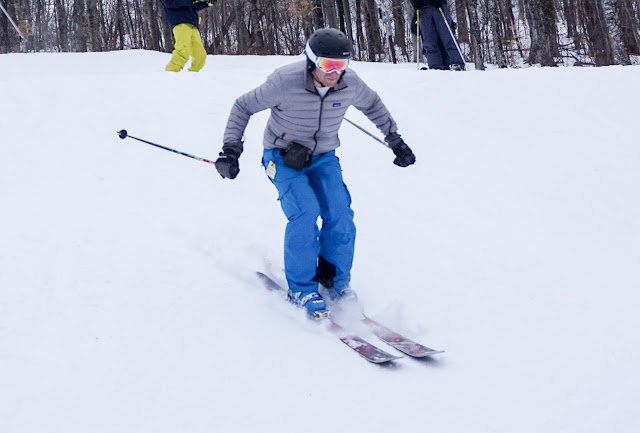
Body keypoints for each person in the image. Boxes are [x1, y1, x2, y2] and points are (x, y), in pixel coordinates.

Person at [214, 28, 416, 319]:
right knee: (305, 213)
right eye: (327, 65)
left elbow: (372, 105)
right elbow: (243, 105)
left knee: (341, 214)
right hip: (281, 158)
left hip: (323, 158)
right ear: (311, 62)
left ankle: (334, 280)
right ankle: (301, 287)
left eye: (341, 65)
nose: (335, 73)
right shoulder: (284, 81)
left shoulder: (350, 84)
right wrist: (231, 148)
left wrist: (394, 139)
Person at [158, 0, 215, 72]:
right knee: (183, 50)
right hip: (179, 22)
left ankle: (193, 76)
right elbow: (170, 3)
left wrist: (207, 3)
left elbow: (192, 6)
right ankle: (171, 72)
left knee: (200, 55)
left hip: (192, 23)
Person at [410, 0, 465, 71]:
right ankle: (435, 66)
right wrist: (414, 2)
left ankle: (457, 63)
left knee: (447, 36)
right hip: (422, 8)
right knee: (429, 41)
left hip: (438, 5)